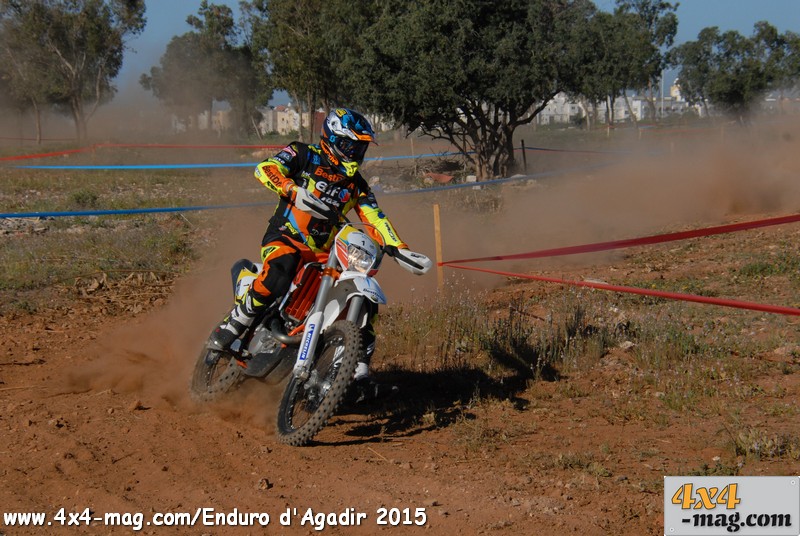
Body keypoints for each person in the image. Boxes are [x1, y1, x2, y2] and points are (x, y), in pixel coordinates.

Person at [207, 107, 429, 401]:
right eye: (352, 145)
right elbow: (264, 169)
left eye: (361, 147)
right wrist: (292, 189)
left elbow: (375, 218)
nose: (356, 152)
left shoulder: (356, 185)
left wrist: (400, 250)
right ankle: (234, 324)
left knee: (363, 299)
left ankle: (356, 370)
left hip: (326, 254)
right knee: (280, 270)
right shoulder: (303, 154)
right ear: (333, 139)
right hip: (286, 236)